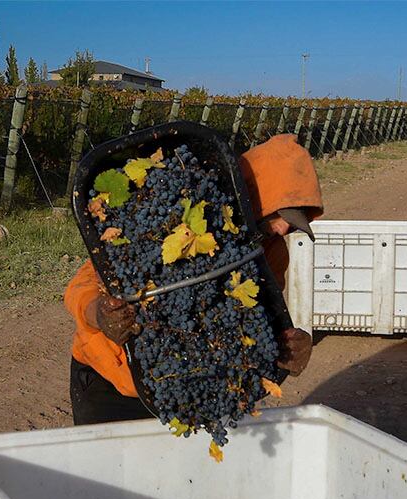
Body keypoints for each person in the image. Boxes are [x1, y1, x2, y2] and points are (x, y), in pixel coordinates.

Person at [64, 133, 323, 425]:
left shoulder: (270, 250)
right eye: (280, 214)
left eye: (295, 223)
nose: (283, 229)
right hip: (109, 385)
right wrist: (99, 313)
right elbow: (79, 288)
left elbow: (258, 320)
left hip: (185, 390)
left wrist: (289, 347)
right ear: (252, 193)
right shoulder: (171, 218)